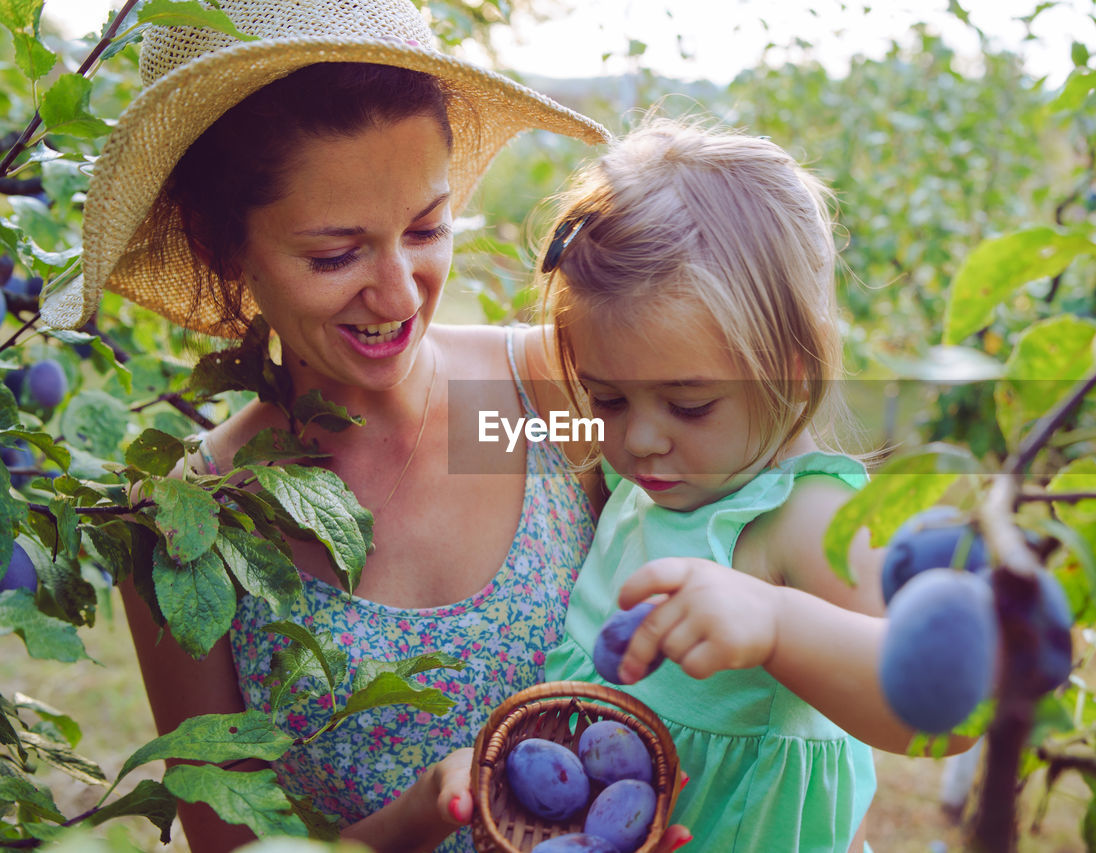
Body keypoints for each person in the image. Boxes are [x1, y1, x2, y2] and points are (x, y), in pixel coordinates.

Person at [51, 1, 691, 851]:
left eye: (427, 228)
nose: (398, 295)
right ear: (224, 245)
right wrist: (422, 816)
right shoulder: (190, 527)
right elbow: (231, 841)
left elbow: (761, 500)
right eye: (334, 255)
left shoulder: (535, 403)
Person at [538, 118, 928, 852]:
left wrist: (778, 624)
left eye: (689, 404)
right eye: (607, 399)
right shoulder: (660, 473)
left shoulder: (800, 517)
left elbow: (922, 710)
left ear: (793, 368)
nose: (639, 438)